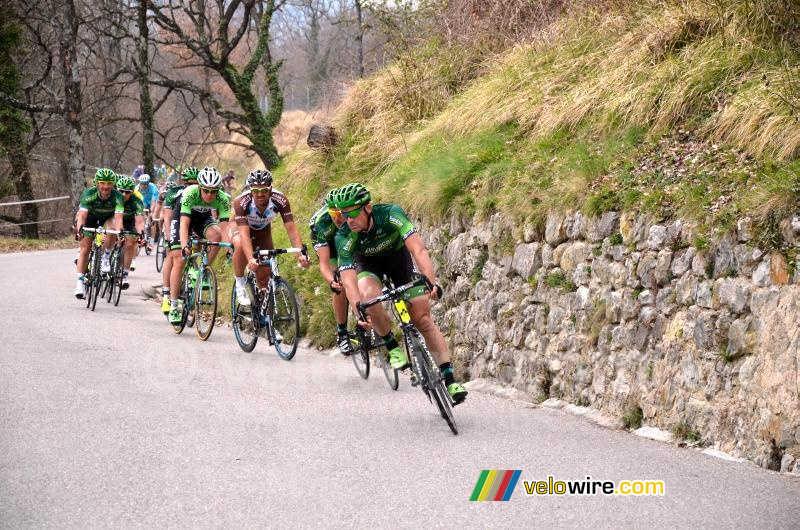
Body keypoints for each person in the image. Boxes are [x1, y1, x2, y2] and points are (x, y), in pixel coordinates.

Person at [332, 182, 467, 404]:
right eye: (344, 215)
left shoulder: (391, 214)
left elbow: (418, 249)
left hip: (399, 260)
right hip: (367, 266)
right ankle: (391, 345)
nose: (349, 220)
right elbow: (348, 279)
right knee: (369, 297)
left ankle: (450, 379)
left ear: (367, 207)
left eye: (353, 213)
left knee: (422, 319)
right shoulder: (344, 236)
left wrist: (431, 282)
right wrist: (358, 309)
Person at [229, 169, 309, 307]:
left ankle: (266, 315)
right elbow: (244, 234)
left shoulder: (280, 200)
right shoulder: (241, 202)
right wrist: (250, 259)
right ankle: (240, 285)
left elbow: (291, 230)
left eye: (264, 190)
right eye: (255, 190)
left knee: (265, 273)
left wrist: (300, 254)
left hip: (262, 229)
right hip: (238, 227)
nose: (260, 194)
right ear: (250, 189)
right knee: (241, 244)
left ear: (271, 188)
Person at [167, 166, 231, 324]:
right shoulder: (190, 193)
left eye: (213, 191)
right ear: (200, 187)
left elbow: (224, 228)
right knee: (179, 260)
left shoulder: (223, 198)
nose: (210, 195)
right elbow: (184, 225)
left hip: (203, 220)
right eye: (206, 191)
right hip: (182, 219)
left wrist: (229, 247)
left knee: (216, 236)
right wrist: (183, 247)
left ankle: (201, 270)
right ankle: (174, 306)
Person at [309, 188, 351, 355]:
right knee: (339, 281)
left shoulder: (354, 217)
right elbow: (324, 264)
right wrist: (332, 280)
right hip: (329, 243)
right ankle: (342, 333)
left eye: (342, 213)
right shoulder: (322, 223)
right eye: (334, 214)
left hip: (349, 237)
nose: (339, 218)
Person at [73, 168, 124, 298]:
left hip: (106, 219)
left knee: (112, 228)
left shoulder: (117, 196)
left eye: (109, 183)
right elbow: (82, 215)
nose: (105, 187)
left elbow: (118, 218)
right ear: (97, 183)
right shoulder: (89, 193)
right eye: (102, 183)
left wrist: (120, 232)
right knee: (85, 249)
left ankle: (106, 257)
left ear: (113, 184)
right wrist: (80, 229)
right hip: (90, 217)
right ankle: (79, 283)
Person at [158, 167, 196, 314]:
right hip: (174, 224)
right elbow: (167, 217)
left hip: (190, 223)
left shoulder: (200, 194)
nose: (191, 186)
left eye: (194, 184)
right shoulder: (174, 193)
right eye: (188, 183)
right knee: (172, 255)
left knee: (195, 248)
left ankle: (190, 276)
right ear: (183, 182)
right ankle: (166, 296)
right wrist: (169, 237)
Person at [115, 176, 145, 289]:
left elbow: (139, 222)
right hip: (113, 219)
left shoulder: (136, 201)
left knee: (129, 244)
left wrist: (141, 234)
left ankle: (125, 274)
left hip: (129, 221)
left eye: (127, 192)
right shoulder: (112, 197)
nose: (123, 194)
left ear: (132, 192)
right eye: (121, 191)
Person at [137, 174, 160, 250]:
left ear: (148, 183)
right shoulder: (137, 189)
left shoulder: (153, 188)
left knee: (152, 220)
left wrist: (151, 212)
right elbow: (137, 202)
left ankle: (152, 242)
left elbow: (154, 202)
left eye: (145, 184)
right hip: (143, 203)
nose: (143, 186)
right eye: (142, 184)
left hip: (152, 203)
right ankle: (142, 237)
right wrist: (143, 213)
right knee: (140, 217)